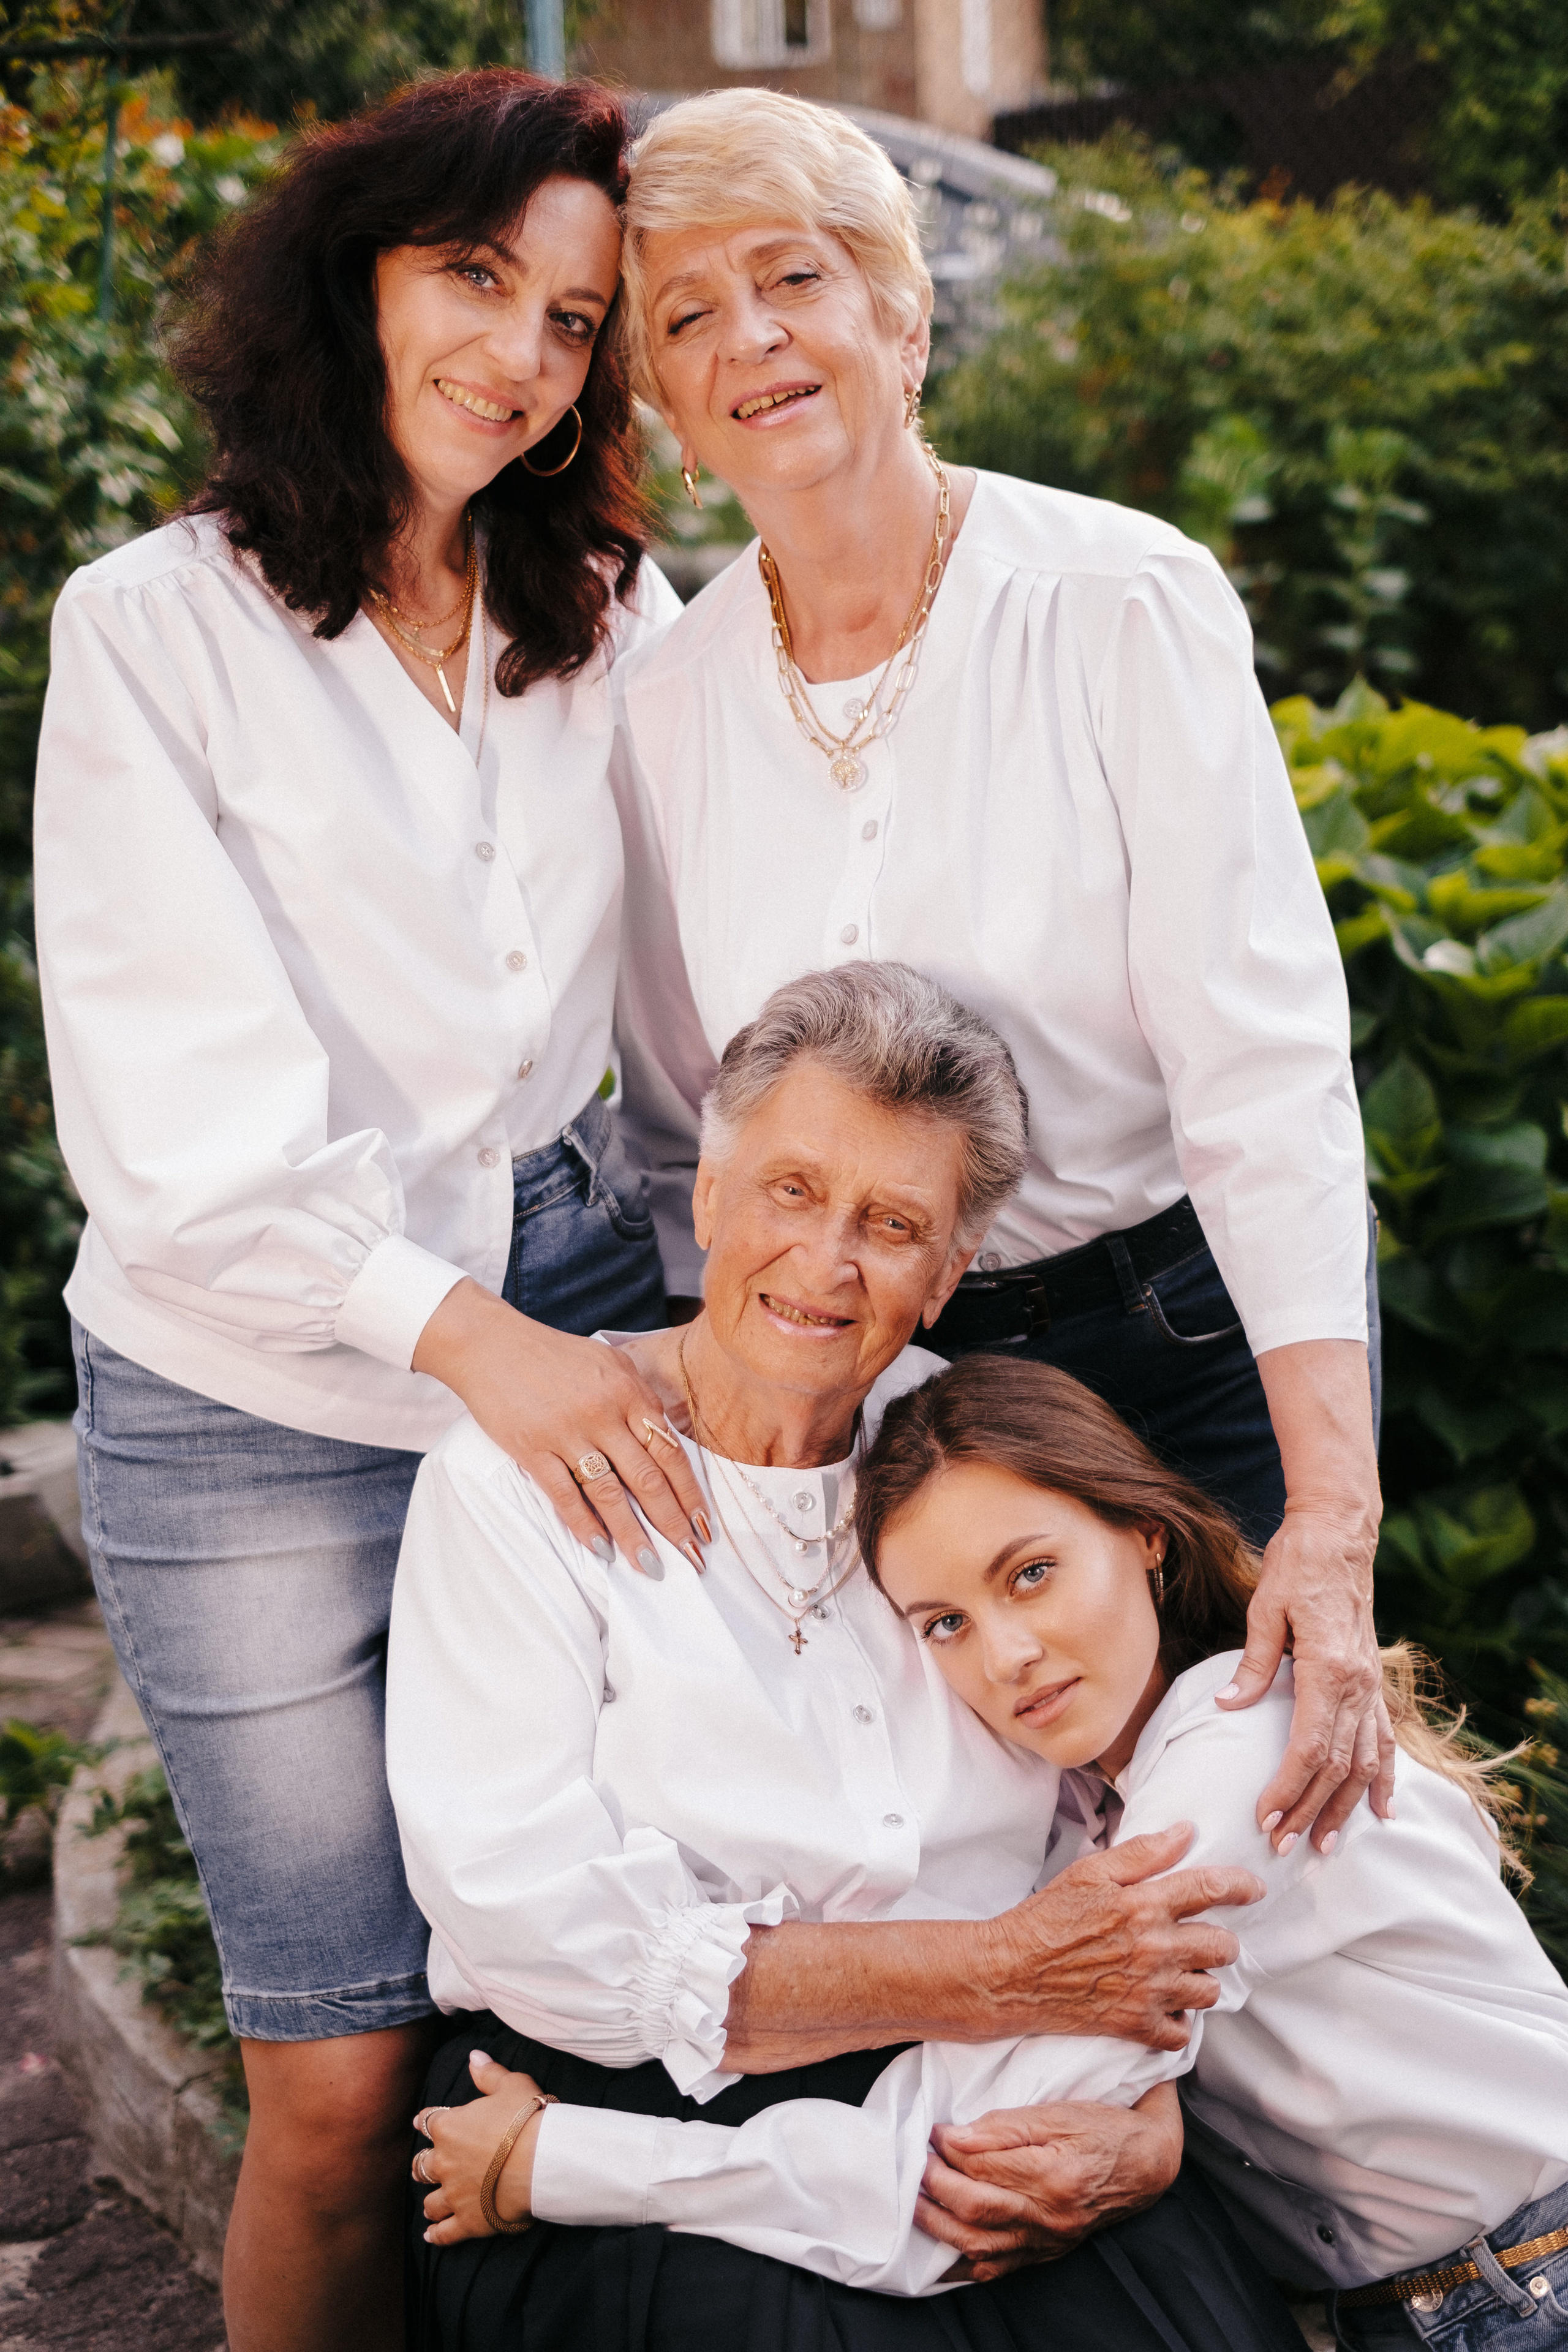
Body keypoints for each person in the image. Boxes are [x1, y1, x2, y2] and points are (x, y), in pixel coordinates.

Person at [32, 70, 712, 2352]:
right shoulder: (157, 627)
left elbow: (742, 961)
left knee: (605, 1998)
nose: (520, 356)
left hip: (578, 1279)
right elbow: (180, 1132)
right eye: (475, 280)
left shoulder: (606, 607)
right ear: (359, 275)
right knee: (337, 2064)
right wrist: (482, 1345)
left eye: (574, 320)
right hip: (253, 1391)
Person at [608, 86, 1386, 1857]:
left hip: (1172, 1340)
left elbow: (1265, 1075)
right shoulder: (669, 696)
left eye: (794, 278)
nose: (752, 341)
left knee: (1269, 1849)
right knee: (979, 1882)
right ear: (660, 389)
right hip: (891, 1384)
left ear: (902, 311)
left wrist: (1329, 1516)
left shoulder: (1120, 601)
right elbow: (687, 1126)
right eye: (686, 314)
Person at [388, 962, 1309, 2352]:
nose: (827, 1265)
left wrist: (1144, 2120)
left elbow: (1125, 1814)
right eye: (791, 1191)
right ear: (704, 1193)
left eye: (891, 1226)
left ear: (947, 1276)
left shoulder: (968, 1444)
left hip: (992, 2091)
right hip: (645, 2117)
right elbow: (535, 1931)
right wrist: (990, 1970)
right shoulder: (514, 1480)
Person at [458, 1356, 1568, 2350]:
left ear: (1145, 1533)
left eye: (1030, 1573)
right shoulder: (1097, 1820)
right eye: (945, 1623)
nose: (1011, 1656)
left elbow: (953, 2168)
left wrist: (551, 2165)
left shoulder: (1235, 1770)